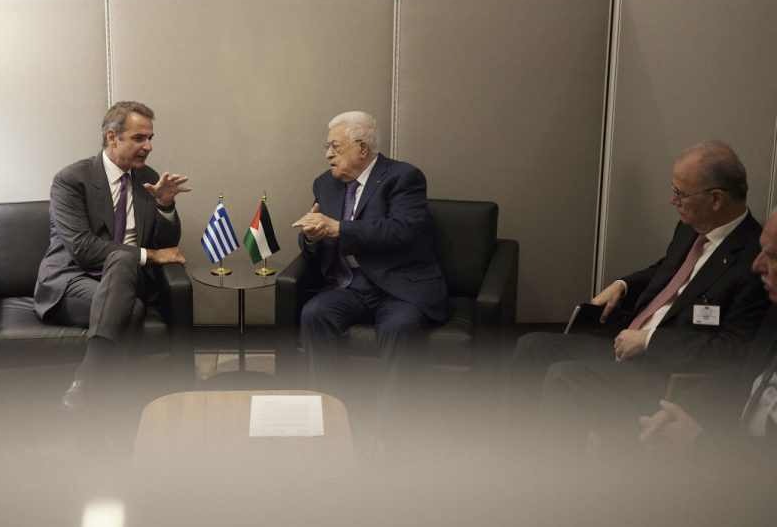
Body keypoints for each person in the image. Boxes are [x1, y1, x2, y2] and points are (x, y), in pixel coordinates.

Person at [511, 141, 770, 449]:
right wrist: (622, 285)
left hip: (663, 372)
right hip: (627, 343)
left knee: (563, 376)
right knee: (531, 347)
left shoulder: (757, 261)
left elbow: (731, 351)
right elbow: (666, 269)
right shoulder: (691, 228)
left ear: (716, 199)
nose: (672, 200)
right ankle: (514, 452)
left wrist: (650, 341)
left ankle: (550, 472)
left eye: (680, 194)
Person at [292, 111, 449, 424]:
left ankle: (390, 430)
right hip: (350, 285)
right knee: (314, 314)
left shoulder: (404, 177)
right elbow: (318, 230)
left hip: (399, 287)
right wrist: (310, 237)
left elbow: (402, 230)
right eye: (327, 147)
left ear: (361, 148)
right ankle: (330, 416)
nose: (328, 155)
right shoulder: (324, 184)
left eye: (335, 147)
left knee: (400, 327)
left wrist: (338, 228)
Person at [35, 101, 190, 411]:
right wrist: (149, 255)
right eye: (139, 138)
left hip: (129, 281)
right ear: (112, 136)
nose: (148, 147)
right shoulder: (71, 180)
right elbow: (83, 249)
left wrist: (165, 206)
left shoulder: (148, 178)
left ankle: (86, 382)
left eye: (150, 138)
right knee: (130, 307)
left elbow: (167, 243)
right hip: (72, 280)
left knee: (122, 263)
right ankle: (115, 409)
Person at [638, 209, 777, 455]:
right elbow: (742, 370)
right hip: (728, 441)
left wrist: (700, 442)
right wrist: (680, 410)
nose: (757, 266)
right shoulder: (774, 313)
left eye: (772, 256)